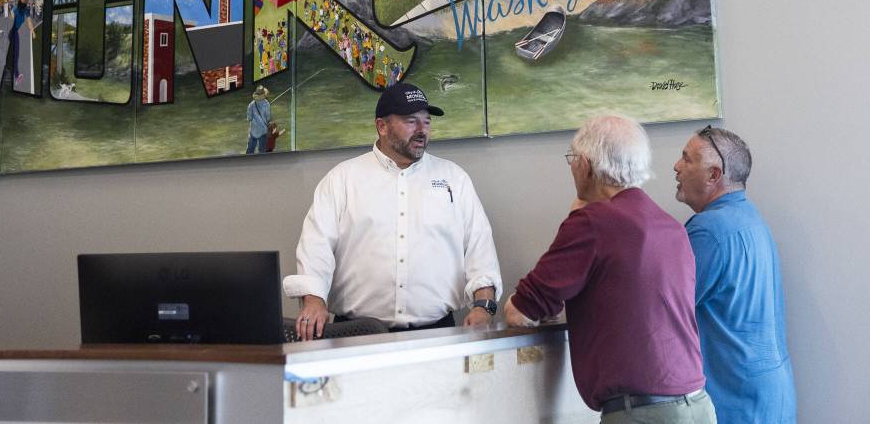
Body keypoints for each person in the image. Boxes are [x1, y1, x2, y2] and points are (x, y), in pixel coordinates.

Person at [505, 115, 714, 423]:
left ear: (587, 165)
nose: (572, 167)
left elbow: (520, 312)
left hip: (642, 412)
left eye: (573, 159)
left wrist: (575, 217)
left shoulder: (591, 224)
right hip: (697, 404)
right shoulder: (670, 226)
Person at [284, 82, 501, 340]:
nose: (422, 131)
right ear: (382, 126)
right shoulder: (342, 179)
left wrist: (484, 306)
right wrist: (313, 300)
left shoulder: (454, 178)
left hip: (438, 335)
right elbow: (315, 247)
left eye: (427, 122)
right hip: (356, 335)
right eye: (411, 121)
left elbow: (479, 247)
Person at [674, 126, 796, 423]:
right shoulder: (752, 220)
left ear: (714, 175)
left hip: (736, 402)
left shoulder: (709, 231)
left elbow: (665, 311)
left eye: (686, 159)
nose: (676, 167)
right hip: (771, 399)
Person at [245, 85, 271, 154]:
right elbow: (268, 118)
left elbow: (249, 118)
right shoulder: (267, 104)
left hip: (253, 131)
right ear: (264, 94)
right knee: (262, 152)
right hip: (263, 131)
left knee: (250, 152)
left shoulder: (251, 105)